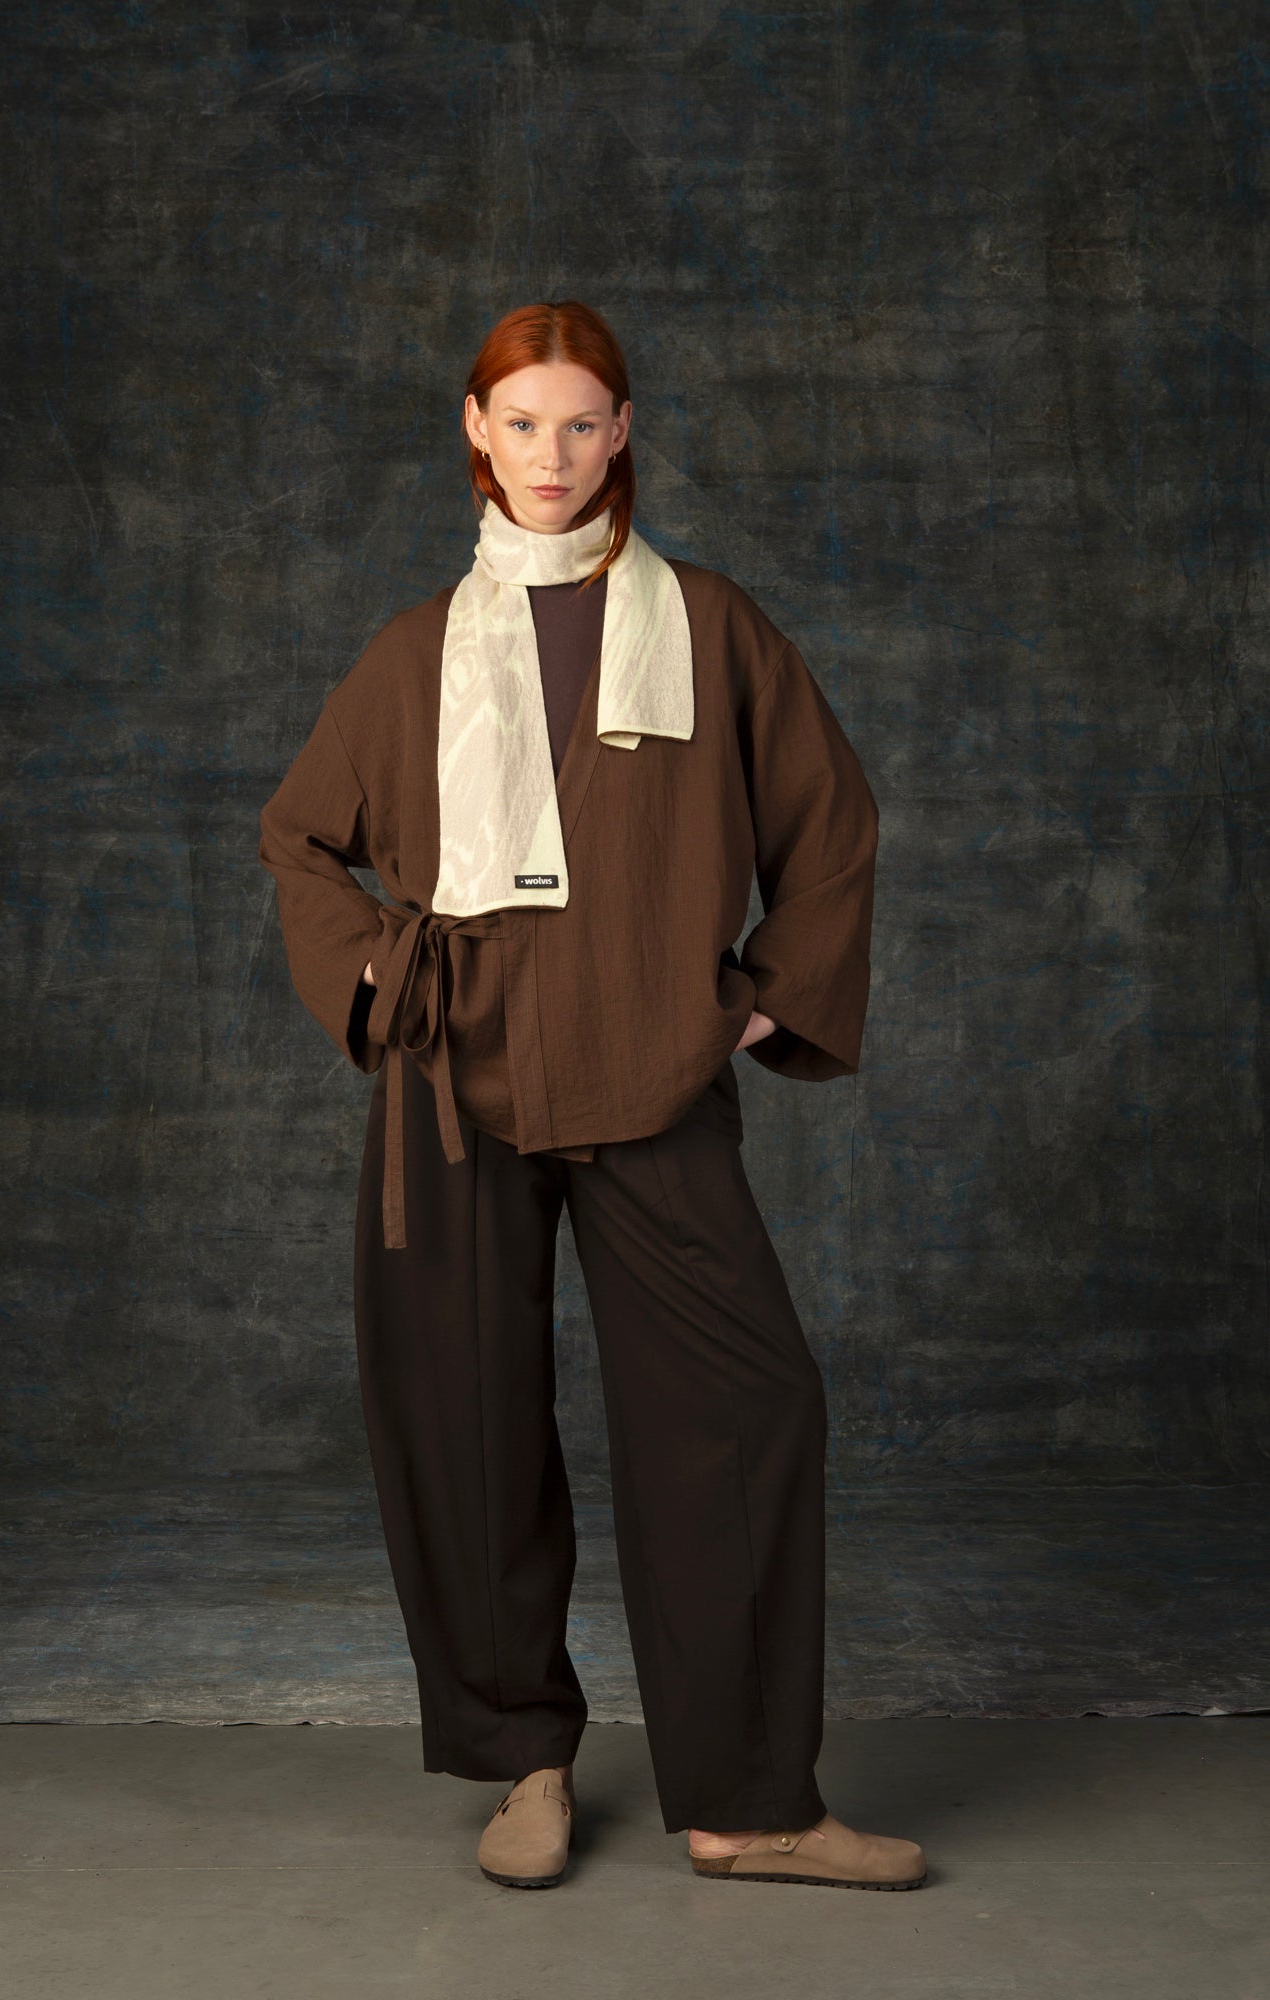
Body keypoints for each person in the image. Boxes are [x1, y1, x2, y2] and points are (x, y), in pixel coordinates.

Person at [258, 300, 927, 1892]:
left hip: (651, 1067)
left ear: (620, 433)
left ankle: (749, 1798)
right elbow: (300, 838)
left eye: (582, 423)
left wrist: (765, 1000)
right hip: (450, 1085)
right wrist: (377, 979)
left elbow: (830, 825)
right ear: (473, 432)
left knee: (742, 1413)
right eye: (521, 422)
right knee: (464, 1423)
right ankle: (521, 1764)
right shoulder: (417, 650)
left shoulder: (706, 624)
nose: (550, 455)